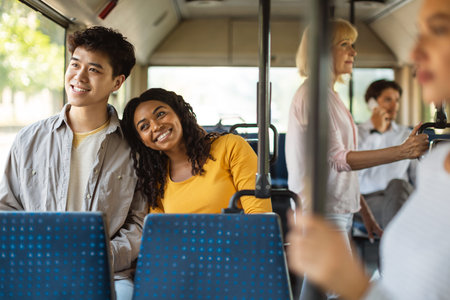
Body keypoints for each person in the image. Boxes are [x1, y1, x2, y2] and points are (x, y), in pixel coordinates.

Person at [286, 0, 450, 299]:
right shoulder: (313, 95)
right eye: (345, 44)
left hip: (339, 205)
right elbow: (338, 160)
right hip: (323, 208)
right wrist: (402, 151)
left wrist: (364, 210)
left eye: (353, 44)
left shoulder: (330, 97)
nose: (353, 51)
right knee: (327, 290)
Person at [0, 26, 148, 300]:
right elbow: (7, 210)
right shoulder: (28, 139)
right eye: (75, 64)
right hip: (37, 267)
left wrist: (97, 257)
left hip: (110, 273)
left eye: (94, 69)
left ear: (117, 82)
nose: (79, 76)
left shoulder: (135, 146)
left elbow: (139, 222)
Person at [120, 88, 272, 214]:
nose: (155, 126)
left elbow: (259, 217)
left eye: (161, 114)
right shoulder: (155, 181)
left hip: (238, 249)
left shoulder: (230, 147)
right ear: (142, 140)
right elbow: (164, 235)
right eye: (144, 126)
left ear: (179, 114)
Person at [357, 79, 417, 228]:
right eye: (388, 99)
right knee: (402, 213)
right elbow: (354, 171)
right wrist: (376, 132)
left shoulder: (406, 134)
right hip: (368, 200)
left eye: (397, 100)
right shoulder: (357, 133)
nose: (394, 105)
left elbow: (417, 176)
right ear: (372, 103)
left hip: (401, 194)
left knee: (398, 185)